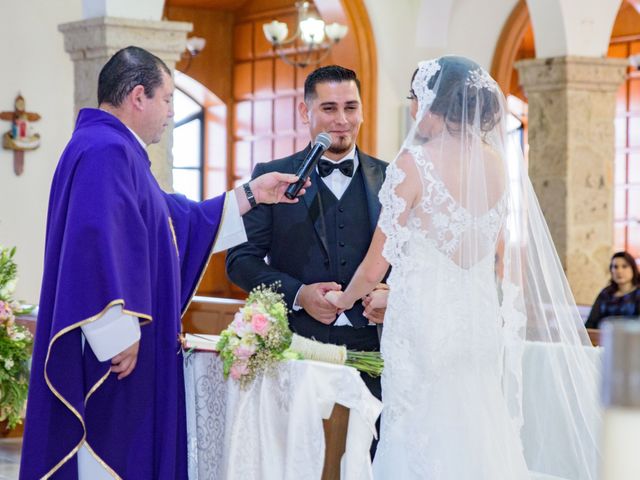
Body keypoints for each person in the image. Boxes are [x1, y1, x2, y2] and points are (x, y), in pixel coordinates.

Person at [20, 46, 307, 480]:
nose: (171, 112)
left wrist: (253, 193)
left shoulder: (115, 149)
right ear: (139, 96)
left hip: (122, 349)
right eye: (168, 99)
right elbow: (93, 241)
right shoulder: (105, 150)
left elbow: (175, 222)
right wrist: (116, 330)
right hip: (113, 359)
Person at [326, 56, 601, 479]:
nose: (414, 108)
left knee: (419, 428)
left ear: (436, 102)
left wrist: (342, 299)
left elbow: (376, 263)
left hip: (423, 327)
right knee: (474, 425)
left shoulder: (412, 165)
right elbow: (469, 255)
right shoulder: (496, 164)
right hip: (476, 323)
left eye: (416, 98)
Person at [226, 65, 388, 402]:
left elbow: (417, 261)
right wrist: (299, 293)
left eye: (351, 107)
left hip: (376, 350)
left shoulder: (393, 179)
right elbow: (240, 260)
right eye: (329, 108)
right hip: (297, 350)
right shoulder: (271, 176)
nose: (342, 119)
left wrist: (394, 294)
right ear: (306, 111)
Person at [586, 251, 640, 328]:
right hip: (603, 337)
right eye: (615, 267)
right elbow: (591, 322)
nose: (619, 271)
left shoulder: (638, 293)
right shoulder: (605, 293)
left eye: (624, 266)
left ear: (633, 268)